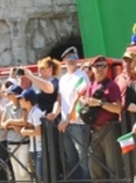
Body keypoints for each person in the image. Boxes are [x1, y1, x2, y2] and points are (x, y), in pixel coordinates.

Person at [81, 56, 125, 180]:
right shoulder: (90, 86)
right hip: (94, 129)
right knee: (95, 166)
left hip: (109, 128)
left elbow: (118, 108)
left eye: (103, 66)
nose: (100, 69)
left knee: (114, 166)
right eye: (97, 66)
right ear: (92, 69)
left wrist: (100, 103)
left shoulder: (112, 86)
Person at [55, 50, 91, 181]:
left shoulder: (82, 76)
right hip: (66, 123)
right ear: (63, 60)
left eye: (74, 56)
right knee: (71, 159)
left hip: (78, 123)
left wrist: (66, 120)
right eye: (69, 57)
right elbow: (60, 99)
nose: (72, 59)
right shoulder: (63, 79)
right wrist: (54, 114)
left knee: (83, 159)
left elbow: (77, 100)